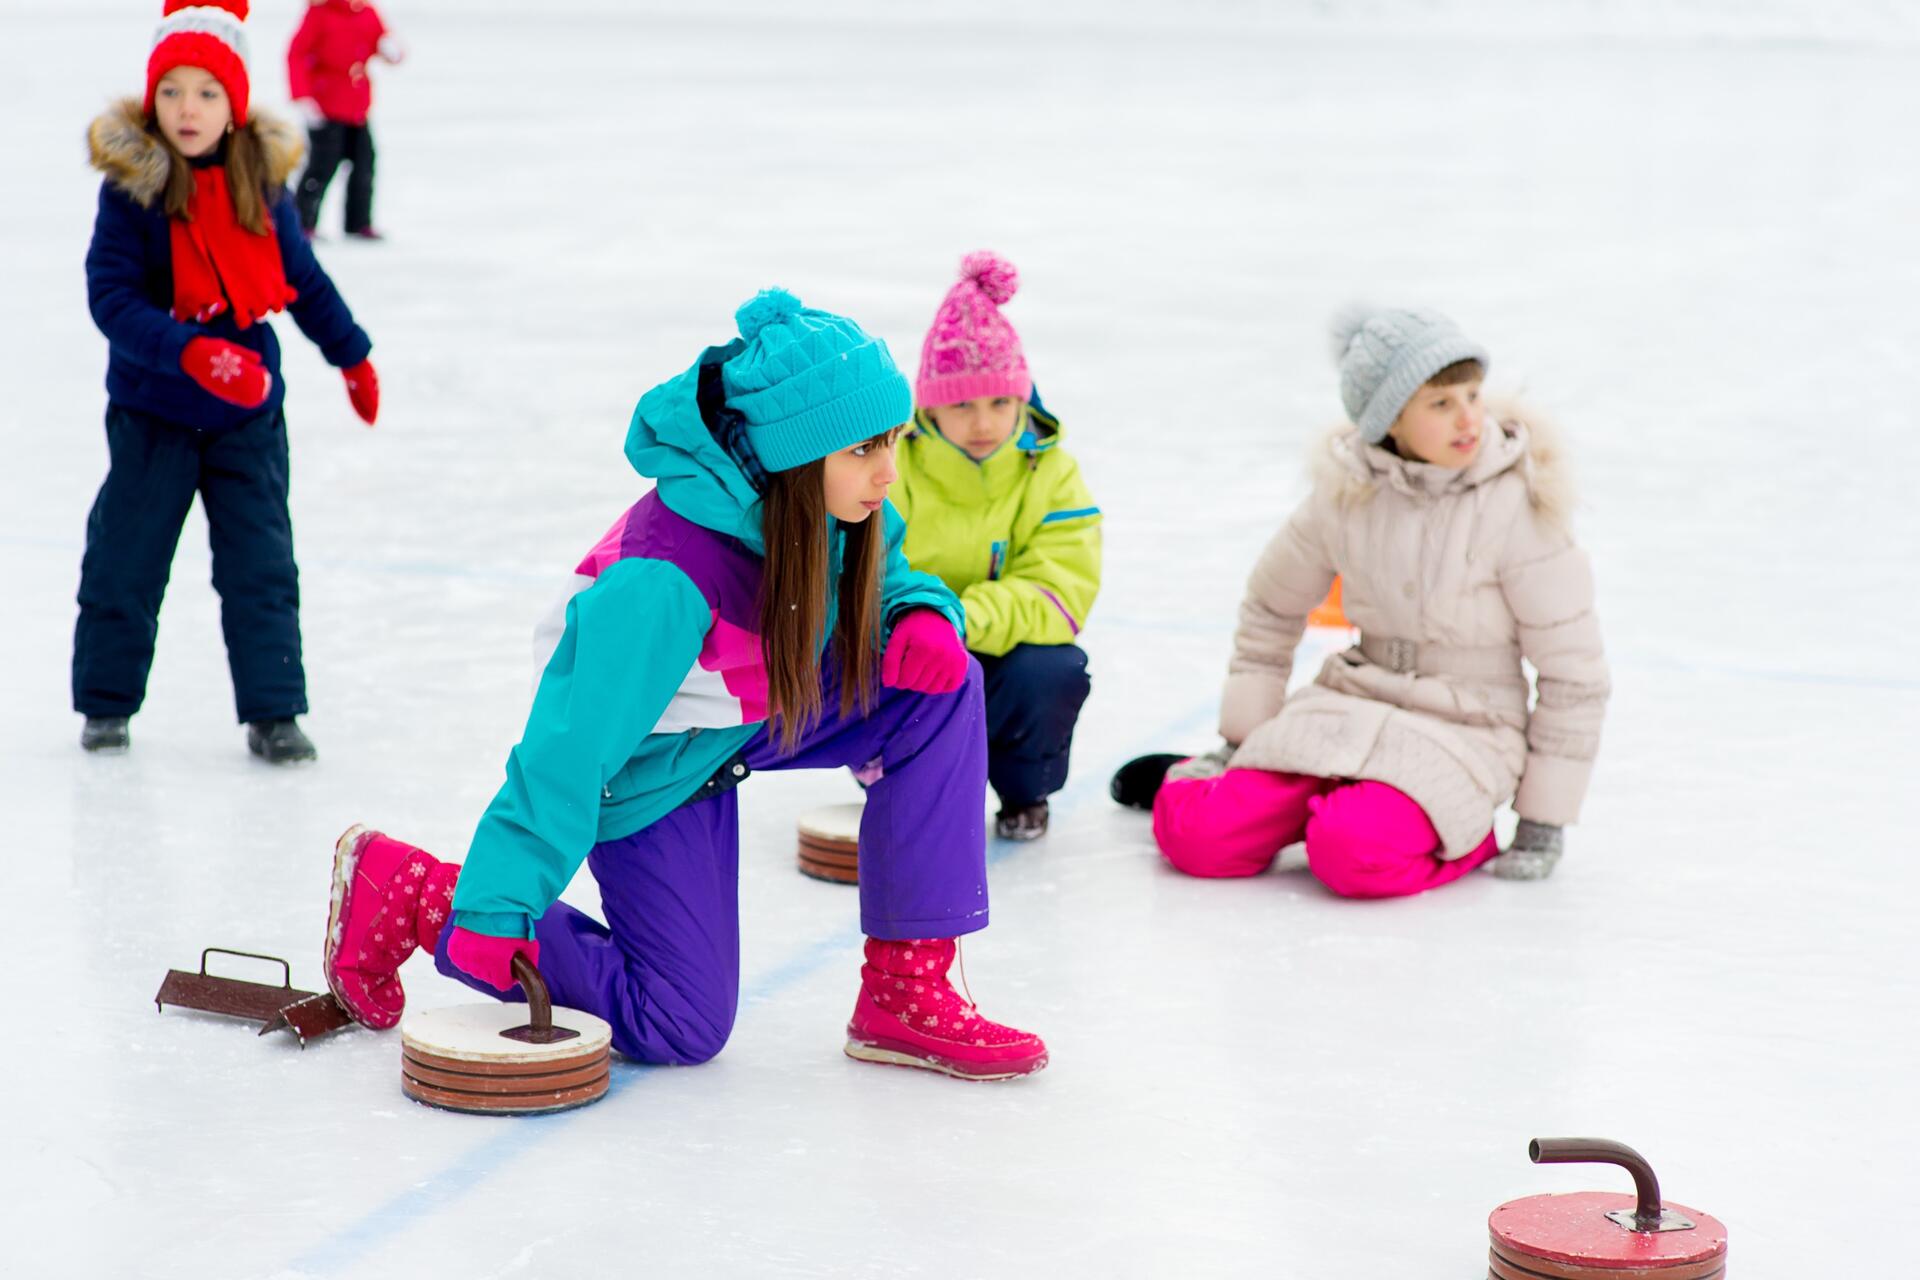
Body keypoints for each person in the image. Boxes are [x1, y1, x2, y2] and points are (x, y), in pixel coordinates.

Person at [323, 289, 1048, 1081]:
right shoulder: (665, 583)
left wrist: (915, 614)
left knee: (940, 689)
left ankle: (905, 995)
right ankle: (423, 895)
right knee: (680, 1023)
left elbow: (884, 567)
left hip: (757, 704)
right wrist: (497, 907)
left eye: (894, 441)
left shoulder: (836, 505)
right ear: (796, 458)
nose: (888, 471)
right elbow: (569, 751)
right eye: (864, 450)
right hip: (651, 758)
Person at [1113, 307, 1608, 895]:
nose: (1469, 417)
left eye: (1473, 395)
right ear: (1389, 420)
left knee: (1354, 852)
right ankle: (1281, 793)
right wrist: (1241, 737)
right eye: (1440, 403)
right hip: (1350, 701)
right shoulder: (1347, 493)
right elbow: (1272, 607)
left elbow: (1573, 673)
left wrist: (1543, 817)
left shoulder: (1518, 509)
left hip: (1469, 725)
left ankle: (1467, 838)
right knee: (1195, 833)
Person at [77, 0, 378, 762]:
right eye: (172, 91)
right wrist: (186, 352)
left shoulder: (260, 185)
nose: (188, 109)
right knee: (127, 557)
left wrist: (351, 353)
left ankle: (274, 712)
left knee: (261, 563)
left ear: (235, 106)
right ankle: (106, 706)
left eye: (207, 93)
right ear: (153, 99)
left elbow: (300, 279)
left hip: (248, 417)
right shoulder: (133, 189)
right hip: (154, 410)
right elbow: (110, 296)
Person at [890, 252, 1101, 841]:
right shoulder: (891, 466)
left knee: (1051, 667)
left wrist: (956, 618)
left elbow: (1060, 593)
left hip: (994, 652)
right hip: (909, 650)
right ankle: (898, 781)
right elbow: (861, 571)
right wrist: (918, 624)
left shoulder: (1051, 473)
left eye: (1000, 402)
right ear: (929, 405)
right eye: (962, 404)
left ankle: (1024, 788)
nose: (984, 422)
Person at [288, 0, 403, 239]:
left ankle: (358, 222)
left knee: (364, 163)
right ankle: (302, 222)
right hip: (326, 105)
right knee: (322, 166)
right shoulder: (320, 12)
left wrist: (389, 49)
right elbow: (297, 54)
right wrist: (303, 96)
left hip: (357, 106)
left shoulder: (367, 12)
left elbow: (382, 42)